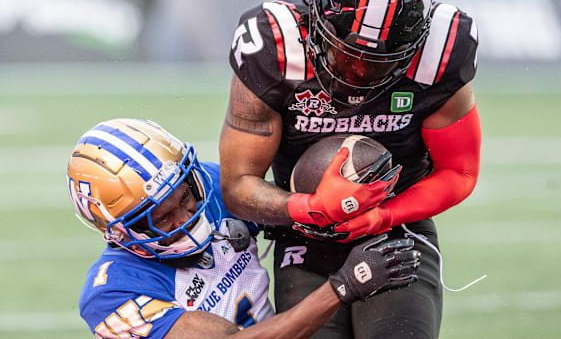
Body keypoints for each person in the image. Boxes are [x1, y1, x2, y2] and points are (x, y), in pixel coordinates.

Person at [219, 0, 482, 338]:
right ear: (317, 17)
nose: (357, 72)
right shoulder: (272, 44)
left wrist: (383, 215)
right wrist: (309, 207)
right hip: (302, 230)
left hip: (398, 222)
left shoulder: (442, 51)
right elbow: (238, 185)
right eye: (345, 51)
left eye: (377, 62)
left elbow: (459, 172)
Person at [67, 118, 421, 338]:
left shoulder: (208, 185)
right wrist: (343, 286)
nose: (185, 216)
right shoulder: (114, 293)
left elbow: (296, 211)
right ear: (119, 232)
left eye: (183, 196)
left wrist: (331, 204)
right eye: (161, 217)